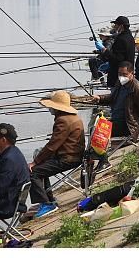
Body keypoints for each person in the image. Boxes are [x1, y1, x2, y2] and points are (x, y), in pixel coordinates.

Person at [29, 91, 85, 219]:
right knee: (42, 166)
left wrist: (35, 162)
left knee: (34, 172)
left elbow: (53, 145)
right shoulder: (73, 117)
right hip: (73, 155)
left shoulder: (63, 121)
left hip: (68, 159)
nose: (50, 109)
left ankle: (46, 204)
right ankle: (49, 199)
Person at [92, 62, 139, 141]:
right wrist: (99, 98)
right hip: (116, 119)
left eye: (124, 74)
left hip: (128, 124)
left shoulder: (138, 89)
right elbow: (112, 97)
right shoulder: (120, 83)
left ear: (132, 73)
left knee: (100, 131)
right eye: (119, 74)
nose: (121, 77)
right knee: (94, 128)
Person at [97, 16, 135, 88]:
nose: (115, 27)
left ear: (121, 26)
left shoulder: (121, 39)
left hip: (119, 75)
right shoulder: (130, 37)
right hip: (128, 71)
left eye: (116, 25)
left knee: (116, 96)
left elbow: (118, 58)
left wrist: (105, 51)